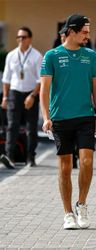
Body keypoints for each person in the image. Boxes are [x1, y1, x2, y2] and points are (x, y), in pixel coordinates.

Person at [40, 14, 96, 230]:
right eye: (84, 31)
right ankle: (68, 213)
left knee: (87, 162)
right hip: (60, 119)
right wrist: (46, 117)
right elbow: (45, 89)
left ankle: (82, 204)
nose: (88, 35)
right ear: (72, 32)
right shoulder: (52, 56)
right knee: (65, 167)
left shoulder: (91, 56)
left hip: (85, 117)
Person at [0, 26, 43, 169]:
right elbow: (6, 78)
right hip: (14, 92)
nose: (20, 40)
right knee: (12, 126)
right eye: (18, 37)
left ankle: (31, 157)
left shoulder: (37, 56)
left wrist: (32, 96)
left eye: (23, 37)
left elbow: (40, 80)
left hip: (31, 93)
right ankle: (9, 157)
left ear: (30, 39)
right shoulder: (11, 55)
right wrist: (5, 97)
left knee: (31, 127)